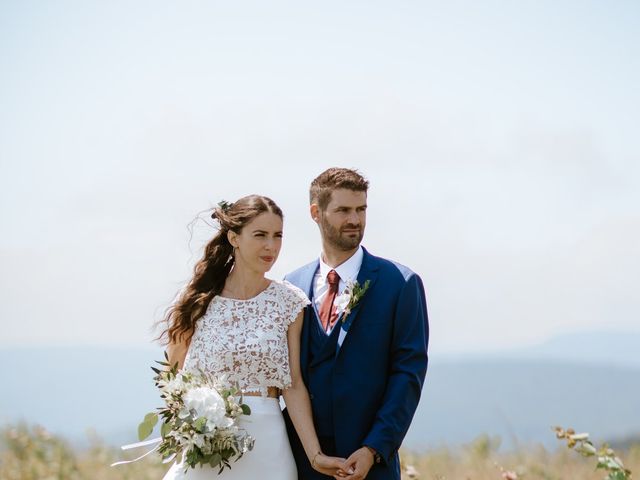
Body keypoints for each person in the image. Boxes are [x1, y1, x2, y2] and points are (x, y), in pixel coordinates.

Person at [159, 195, 346, 480]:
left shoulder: (289, 302)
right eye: (260, 235)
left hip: (268, 448)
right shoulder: (199, 300)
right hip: (207, 447)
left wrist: (315, 455)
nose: (271, 246)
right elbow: (173, 378)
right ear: (234, 237)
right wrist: (189, 427)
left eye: (277, 236)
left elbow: (293, 384)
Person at [283, 168, 429, 480]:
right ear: (316, 213)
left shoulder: (400, 284)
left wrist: (374, 448)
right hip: (302, 463)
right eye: (343, 210)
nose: (355, 220)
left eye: (361, 209)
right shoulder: (290, 287)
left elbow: (408, 375)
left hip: (369, 465)